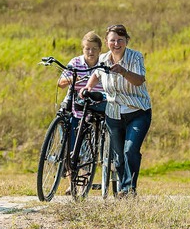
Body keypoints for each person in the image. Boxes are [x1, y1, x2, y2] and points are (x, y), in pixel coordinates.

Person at [81, 24, 152, 198]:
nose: (116, 43)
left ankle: (128, 189)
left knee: (130, 150)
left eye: (120, 40)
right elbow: (97, 74)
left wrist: (123, 71)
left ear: (126, 41)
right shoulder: (104, 58)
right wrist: (88, 88)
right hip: (113, 113)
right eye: (113, 40)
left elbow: (139, 80)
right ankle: (124, 190)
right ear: (107, 42)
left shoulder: (135, 57)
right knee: (119, 156)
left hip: (138, 111)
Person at [58, 31, 105, 194]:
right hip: (75, 106)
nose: (90, 52)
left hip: (95, 107)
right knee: (71, 145)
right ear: (82, 49)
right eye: (87, 49)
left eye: (94, 49)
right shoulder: (75, 62)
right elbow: (61, 83)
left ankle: (83, 181)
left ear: (100, 49)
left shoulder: (104, 62)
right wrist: (74, 79)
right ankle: (72, 183)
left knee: (88, 148)